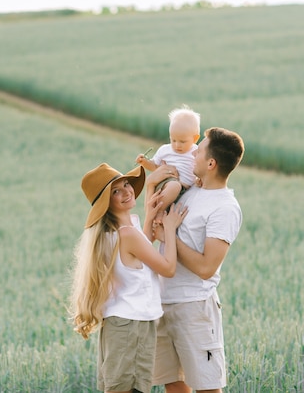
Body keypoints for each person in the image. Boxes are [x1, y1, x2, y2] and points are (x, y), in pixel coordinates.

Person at [69, 163, 188, 393]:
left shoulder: (109, 234)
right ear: (107, 203)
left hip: (119, 325)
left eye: (125, 184)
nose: (126, 191)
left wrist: (150, 217)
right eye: (116, 191)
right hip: (131, 328)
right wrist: (170, 229)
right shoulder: (127, 234)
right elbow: (168, 268)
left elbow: (138, 254)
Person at [146, 126, 245, 393]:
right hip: (162, 302)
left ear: (211, 163)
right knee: (174, 384)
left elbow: (205, 267)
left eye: (199, 151)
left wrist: (168, 236)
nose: (192, 155)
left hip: (194, 308)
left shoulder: (224, 208)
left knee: (207, 387)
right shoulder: (191, 192)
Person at [135, 106, 201, 215]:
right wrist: (144, 162)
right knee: (175, 186)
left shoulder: (197, 152)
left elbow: (201, 169)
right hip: (167, 184)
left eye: (182, 141)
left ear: (195, 139)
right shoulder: (165, 150)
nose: (177, 145)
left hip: (186, 190)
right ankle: (158, 213)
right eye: (173, 140)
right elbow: (155, 166)